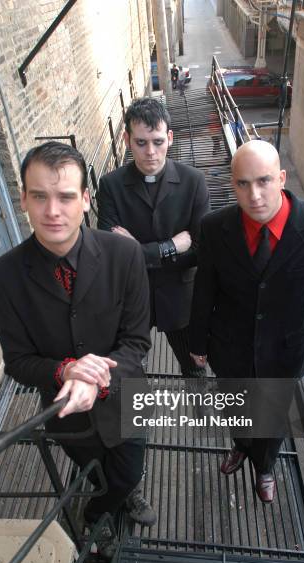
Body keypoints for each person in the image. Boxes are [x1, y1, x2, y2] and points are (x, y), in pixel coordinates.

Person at [0, 141, 152, 560]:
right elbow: (18, 361)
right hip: (65, 414)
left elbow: (136, 342)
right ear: (23, 198)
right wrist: (65, 371)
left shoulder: (125, 255)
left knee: (128, 470)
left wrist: (96, 378)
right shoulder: (4, 275)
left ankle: (103, 508)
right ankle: (106, 502)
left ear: (85, 199)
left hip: (125, 397)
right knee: (92, 469)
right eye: (39, 196)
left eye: (65, 197)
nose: (52, 211)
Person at [189, 139, 304, 504]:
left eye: (264, 181)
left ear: (282, 178)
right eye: (243, 183)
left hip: (284, 352)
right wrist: (197, 343)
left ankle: (264, 466)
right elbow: (204, 289)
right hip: (230, 347)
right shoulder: (214, 227)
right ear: (232, 183)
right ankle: (240, 445)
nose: (254, 194)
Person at [97, 97, 210, 380]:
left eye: (158, 142)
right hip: (132, 301)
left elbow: (200, 250)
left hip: (181, 300)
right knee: (128, 371)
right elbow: (111, 252)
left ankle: (203, 423)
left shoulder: (194, 181)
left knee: (194, 370)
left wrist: (136, 250)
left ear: (170, 138)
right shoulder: (110, 185)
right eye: (141, 142)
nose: (150, 152)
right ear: (126, 140)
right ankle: (138, 423)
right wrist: (170, 246)